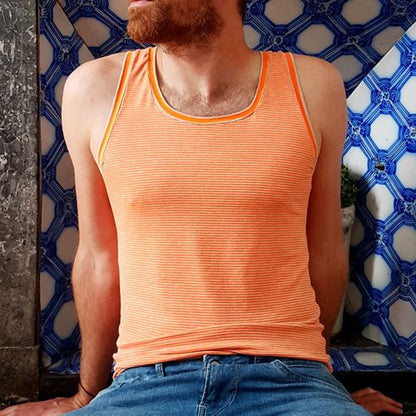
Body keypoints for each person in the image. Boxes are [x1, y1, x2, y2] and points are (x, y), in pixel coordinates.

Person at [1, 1, 404, 415]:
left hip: (292, 380)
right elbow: (98, 260)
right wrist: (86, 397)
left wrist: (324, 396)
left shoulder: (314, 86)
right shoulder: (94, 90)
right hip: (144, 386)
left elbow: (325, 251)